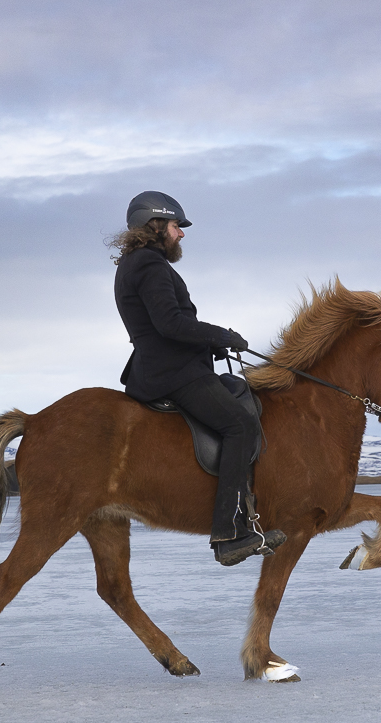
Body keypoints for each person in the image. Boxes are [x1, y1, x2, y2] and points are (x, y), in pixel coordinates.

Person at [111, 191, 285, 566]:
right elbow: (170, 324)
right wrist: (219, 336)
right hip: (172, 374)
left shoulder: (135, 264)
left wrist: (210, 348)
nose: (181, 234)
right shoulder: (151, 266)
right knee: (240, 425)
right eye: (176, 226)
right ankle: (229, 533)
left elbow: (164, 328)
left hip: (167, 366)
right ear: (154, 226)